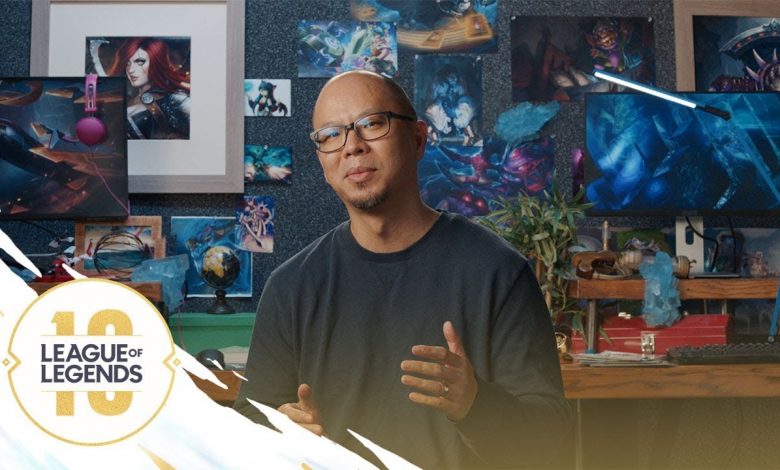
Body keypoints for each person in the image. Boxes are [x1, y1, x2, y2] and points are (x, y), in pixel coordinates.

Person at [234, 70, 571, 469]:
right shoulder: (291, 287)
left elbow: (553, 442)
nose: (353, 146)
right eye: (331, 135)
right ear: (322, 159)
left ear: (418, 139)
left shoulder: (498, 272)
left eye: (372, 124)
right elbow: (250, 427)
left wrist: (476, 404)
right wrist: (277, 437)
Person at [107, 37, 191, 140]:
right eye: (128, 63)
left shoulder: (176, 99)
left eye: (140, 62)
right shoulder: (126, 102)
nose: (131, 70)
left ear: (156, 62)